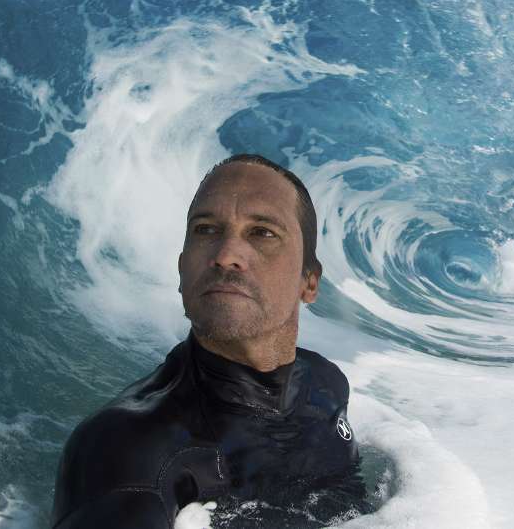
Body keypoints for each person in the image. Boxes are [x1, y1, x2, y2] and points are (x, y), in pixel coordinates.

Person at [51, 154, 361, 528]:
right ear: (182, 268)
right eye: (206, 230)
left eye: (262, 232)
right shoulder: (128, 451)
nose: (226, 255)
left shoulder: (324, 385)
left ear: (309, 282)